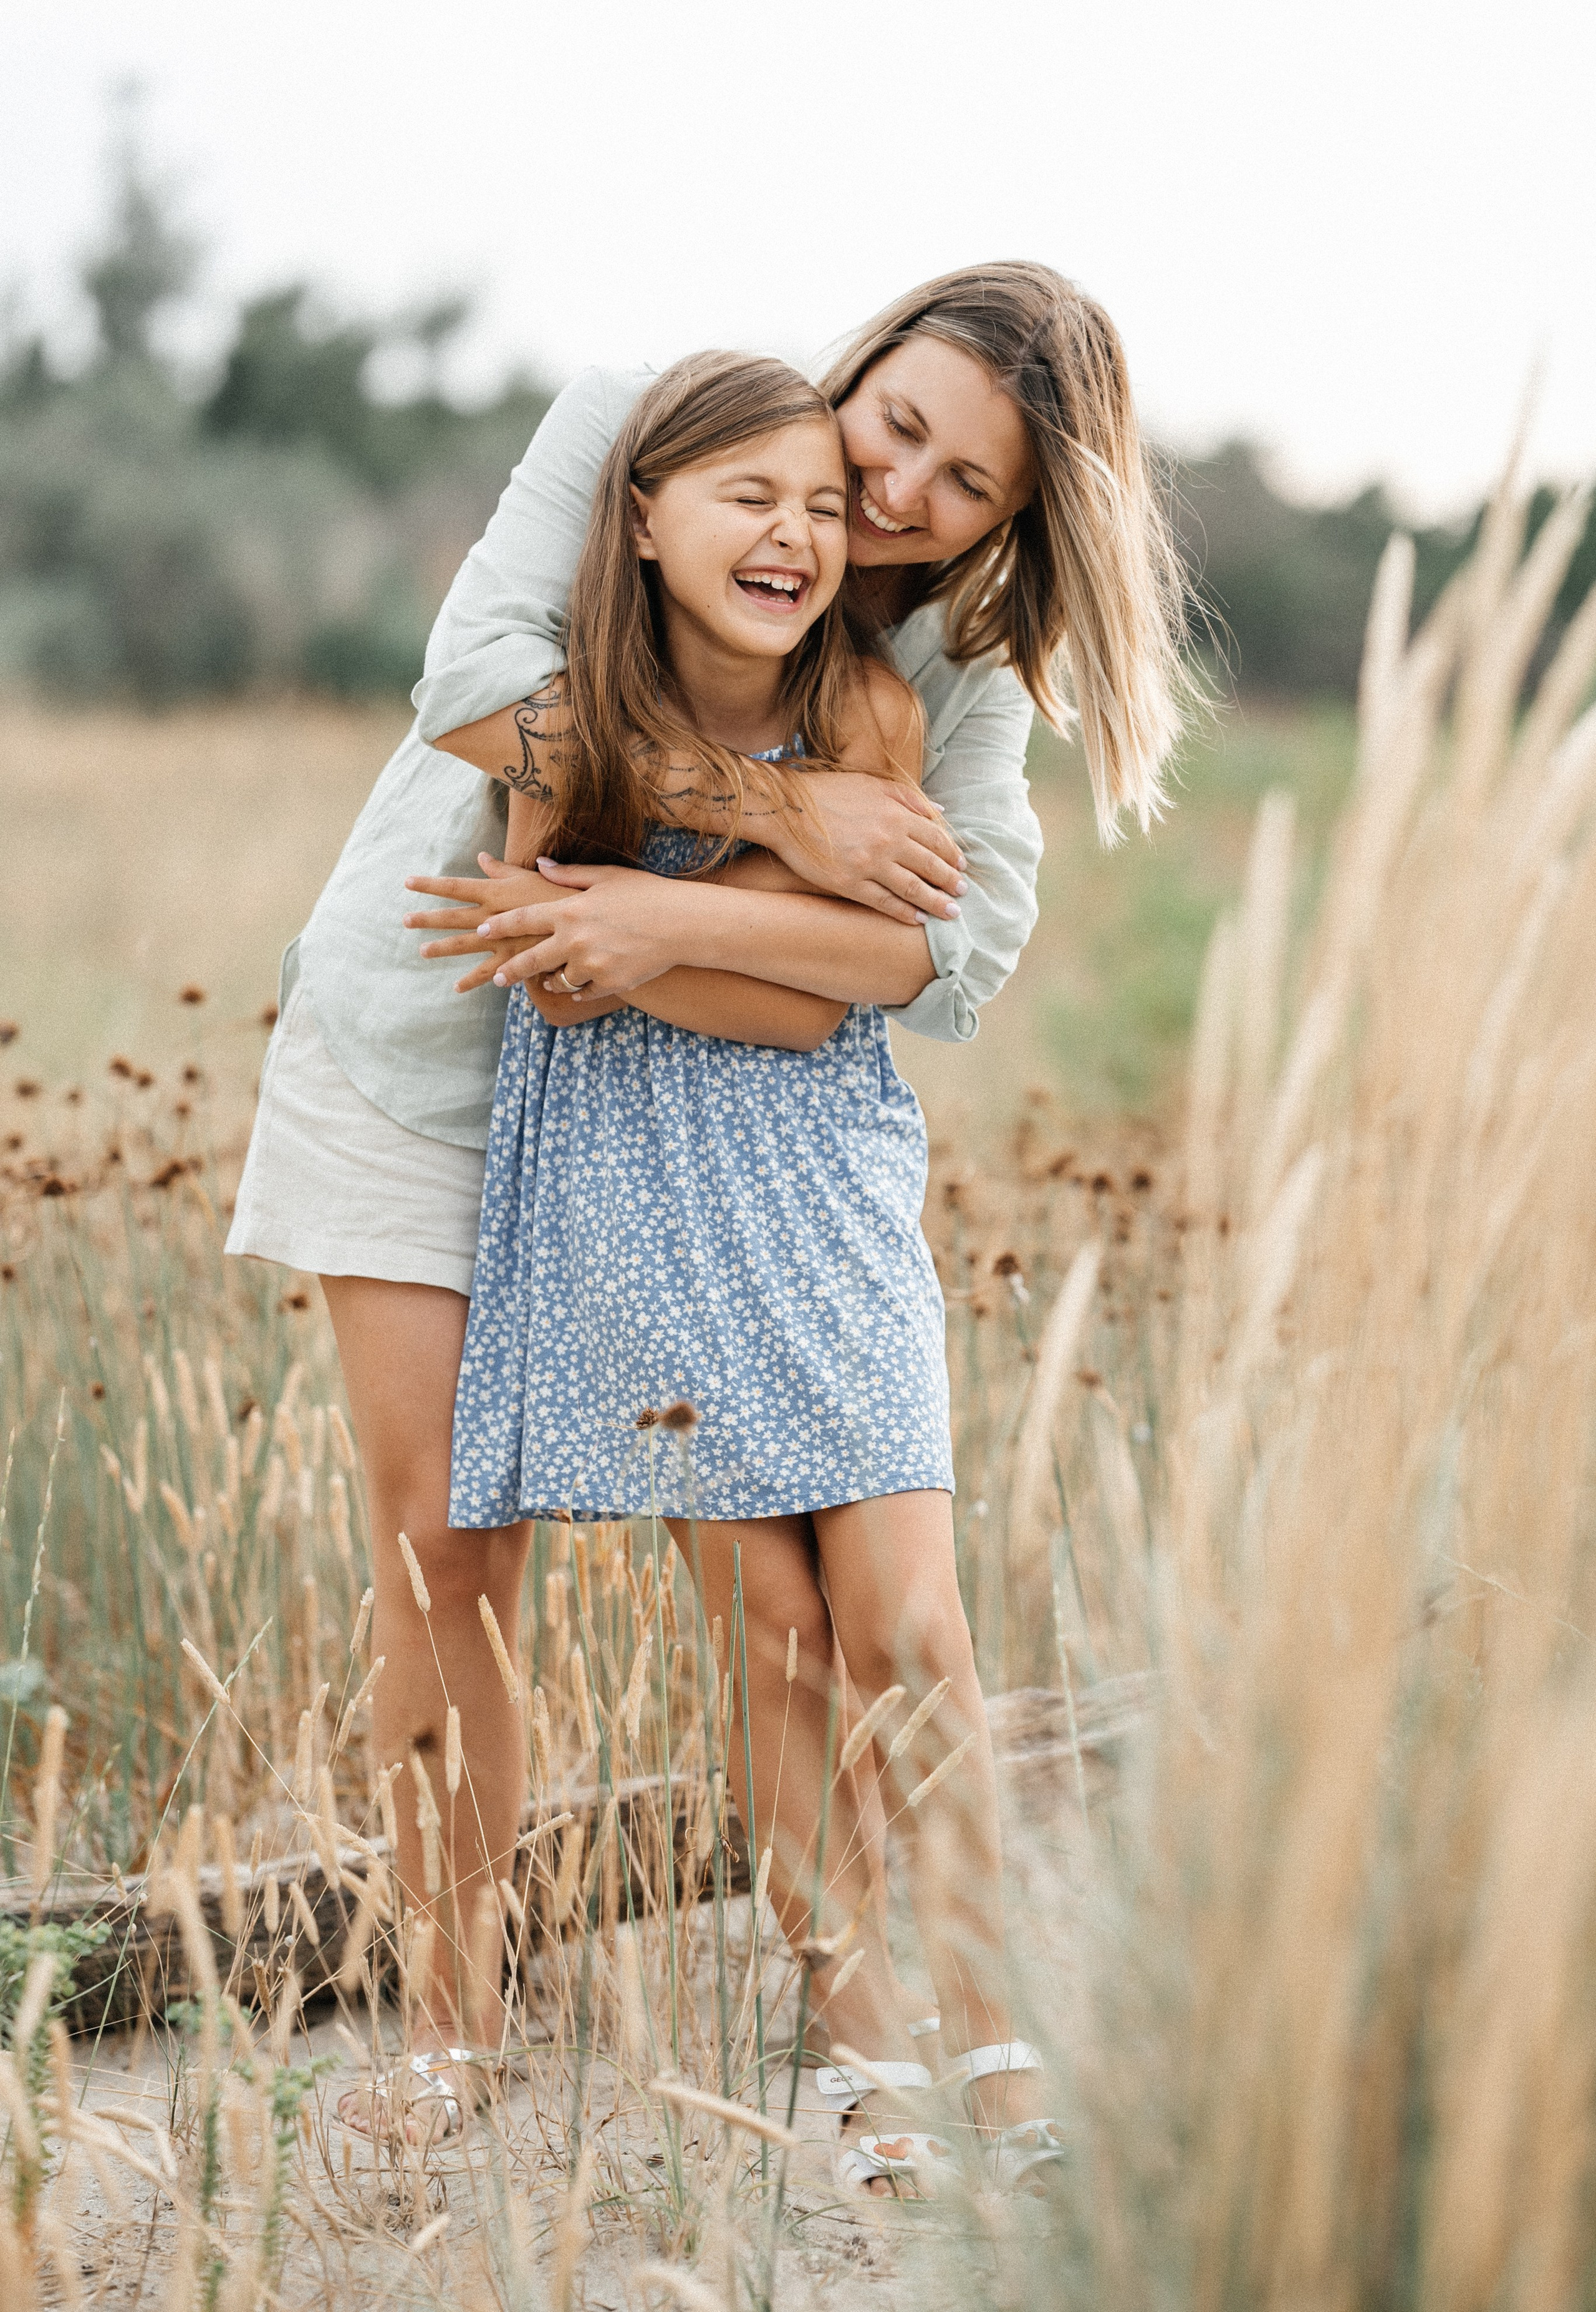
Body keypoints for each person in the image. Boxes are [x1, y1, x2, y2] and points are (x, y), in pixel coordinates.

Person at [224, 262, 1185, 2156]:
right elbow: (472, 698)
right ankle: (449, 2025)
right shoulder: (649, 433)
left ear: (1014, 520)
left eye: (961, 483)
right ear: (861, 365)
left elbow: (947, 949)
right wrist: (780, 817)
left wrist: (677, 907)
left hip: (695, 1134)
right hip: (426, 1066)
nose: (896, 491)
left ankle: (932, 2018)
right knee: (446, 1548)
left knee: (824, 1603)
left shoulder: (938, 682)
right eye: (891, 424)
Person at [420, 347, 1061, 2190]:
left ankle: (1003, 2040)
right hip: (626, 1190)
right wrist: (628, 938)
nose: (806, 530)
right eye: (750, 500)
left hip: (816, 1184)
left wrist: (637, 935)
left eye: (817, 506)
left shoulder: (868, 707)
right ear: (647, 520)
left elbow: (821, 1009)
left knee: (907, 1625)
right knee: (771, 1641)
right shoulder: (568, 710)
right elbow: (540, 953)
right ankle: (871, 2073)